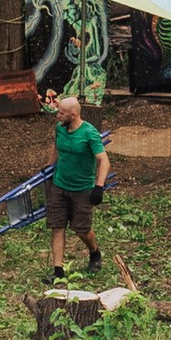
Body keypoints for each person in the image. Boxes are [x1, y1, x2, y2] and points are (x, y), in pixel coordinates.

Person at [44, 91, 109, 277]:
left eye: (61, 113)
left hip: (82, 189)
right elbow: (56, 146)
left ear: (73, 115)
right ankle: (58, 271)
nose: (58, 116)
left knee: (82, 230)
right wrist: (50, 165)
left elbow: (103, 161)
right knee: (57, 227)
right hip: (59, 185)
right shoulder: (60, 128)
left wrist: (99, 186)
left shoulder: (89, 134)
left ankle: (95, 252)